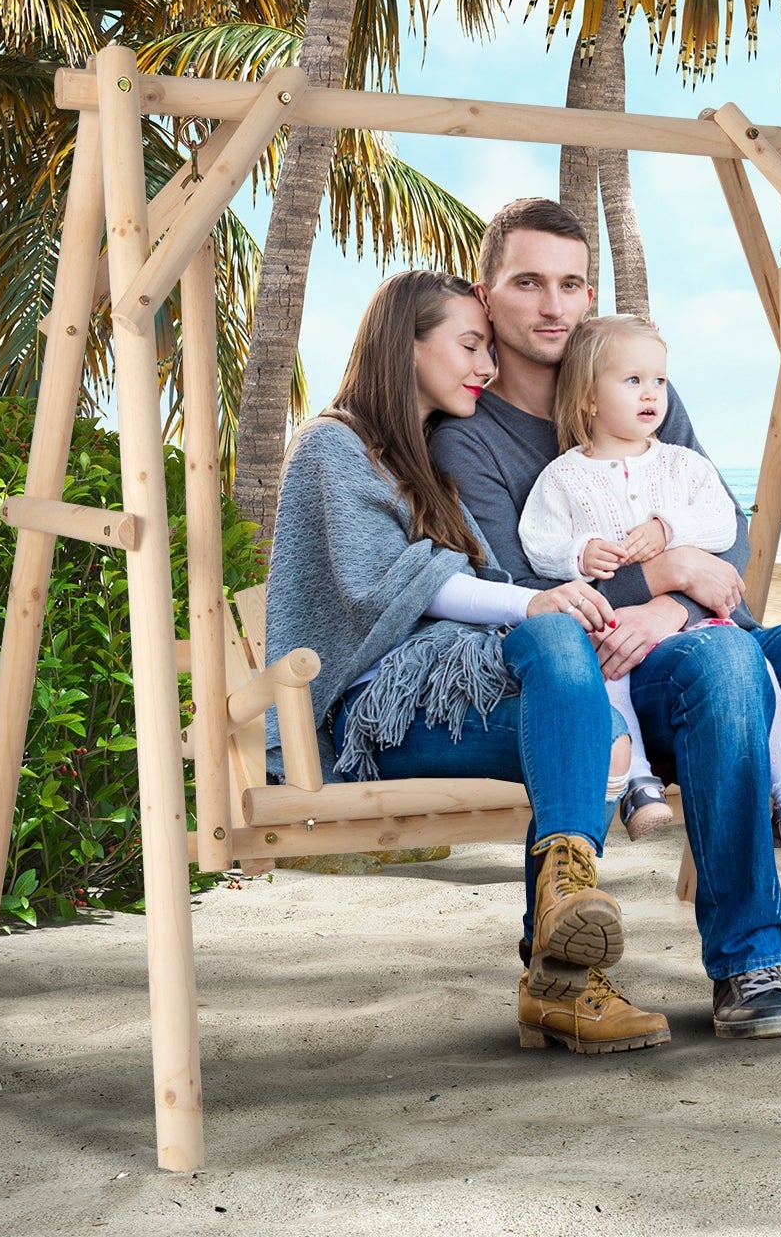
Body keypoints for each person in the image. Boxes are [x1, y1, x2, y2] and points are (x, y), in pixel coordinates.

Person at [433, 198, 781, 1040]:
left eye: (570, 284)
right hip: (622, 682)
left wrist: (670, 595)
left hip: (715, 642)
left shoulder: (639, 387)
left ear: (589, 295)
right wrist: (664, 576)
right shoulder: (470, 439)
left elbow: (724, 533)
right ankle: (747, 966)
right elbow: (523, 591)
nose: (553, 305)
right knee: (724, 666)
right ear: (489, 296)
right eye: (528, 283)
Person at [264, 269, 670, 1055]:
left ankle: (559, 963)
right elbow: (376, 585)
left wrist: (542, 604)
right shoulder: (331, 445)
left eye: (487, 348)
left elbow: (473, 580)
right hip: (369, 716)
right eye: (470, 345)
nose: (485, 366)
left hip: (447, 705)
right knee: (561, 660)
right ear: (405, 346)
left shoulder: (423, 459)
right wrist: (533, 604)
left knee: (597, 732)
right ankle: (563, 983)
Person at [518, 312, 781, 856]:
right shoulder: (564, 477)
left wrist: (670, 531)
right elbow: (538, 542)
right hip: (617, 632)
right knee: (608, 675)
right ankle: (639, 784)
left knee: (760, 675)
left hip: (696, 630)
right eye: (632, 380)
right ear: (590, 400)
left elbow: (722, 522)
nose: (652, 394)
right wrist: (579, 553)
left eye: (659, 381)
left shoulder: (683, 466)